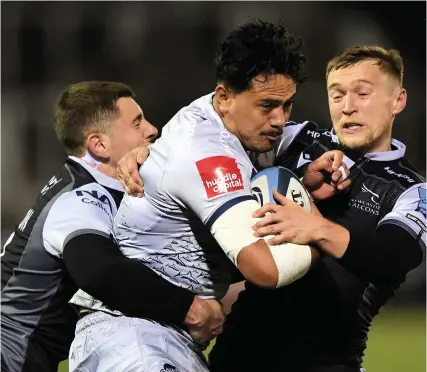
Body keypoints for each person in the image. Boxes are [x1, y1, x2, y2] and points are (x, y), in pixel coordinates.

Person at [68, 20, 350, 372]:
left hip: (164, 337)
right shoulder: (208, 154)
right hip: (132, 338)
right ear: (224, 97)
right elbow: (266, 269)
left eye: (288, 105)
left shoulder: (226, 125)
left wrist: (303, 189)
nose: (279, 120)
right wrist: (323, 231)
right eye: (267, 106)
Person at [207, 46, 426, 372]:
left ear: (398, 101)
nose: (348, 107)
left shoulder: (412, 189)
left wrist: (316, 226)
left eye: (363, 94)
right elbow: (208, 139)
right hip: (235, 357)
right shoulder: (294, 139)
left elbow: (391, 258)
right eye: (337, 96)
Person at [1, 81, 224, 372]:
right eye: (137, 123)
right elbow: (98, 269)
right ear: (99, 144)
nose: (152, 129)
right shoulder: (81, 196)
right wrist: (190, 308)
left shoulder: (80, 186)